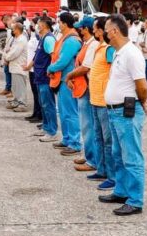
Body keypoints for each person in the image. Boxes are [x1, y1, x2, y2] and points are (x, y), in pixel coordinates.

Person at [100, 14, 147, 216]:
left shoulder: (132, 53)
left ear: (114, 31)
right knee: (118, 155)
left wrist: (142, 103)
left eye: (106, 29)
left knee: (132, 157)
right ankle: (122, 191)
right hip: (115, 111)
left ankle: (135, 200)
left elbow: (142, 86)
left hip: (126, 111)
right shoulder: (119, 52)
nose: (104, 33)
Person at [84, 18, 116, 191]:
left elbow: (113, 73)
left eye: (96, 30)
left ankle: (112, 175)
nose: (94, 33)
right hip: (95, 99)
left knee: (108, 140)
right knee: (98, 137)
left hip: (104, 101)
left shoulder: (109, 49)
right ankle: (101, 169)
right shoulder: (99, 47)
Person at [65, 17, 99, 171]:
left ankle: (92, 159)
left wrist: (70, 75)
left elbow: (85, 67)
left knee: (88, 125)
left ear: (86, 28)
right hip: (82, 86)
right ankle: (88, 154)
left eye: (81, 27)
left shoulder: (93, 44)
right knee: (86, 124)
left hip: (87, 87)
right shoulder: (87, 43)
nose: (79, 30)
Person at [48, 12, 83, 156]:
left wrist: (51, 68)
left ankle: (74, 142)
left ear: (64, 23)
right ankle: (67, 138)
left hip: (68, 80)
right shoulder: (66, 38)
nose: (58, 24)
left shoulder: (71, 40)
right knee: (63, 112)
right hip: (63, 80)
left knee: (70, 113)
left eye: (59, 22)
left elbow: (63, 61)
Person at [32, 17, 60, 143]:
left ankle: (52, 131)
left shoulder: (48, 38)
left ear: (43, 25)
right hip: (39, 76)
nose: (37, 26)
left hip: (45, 77)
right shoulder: (43, 37)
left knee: (48, 105)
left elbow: (53, 56)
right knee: (43, 104)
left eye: (38, 24)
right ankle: (46, 127)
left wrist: (51, 71)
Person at [1, 22, 30, 112]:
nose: (12, 31)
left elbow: (14, 53)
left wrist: (6, 57)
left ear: (17, 30)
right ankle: (16, 101)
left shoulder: (21, 40)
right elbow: (11, 50)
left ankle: (22, 104)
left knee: (20, 86)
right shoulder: (17, 39)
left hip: (19, 66)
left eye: (13, 29)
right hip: (15, 66)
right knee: (16, 87)